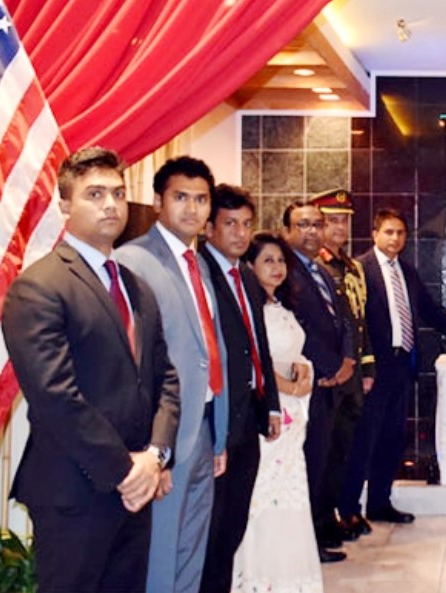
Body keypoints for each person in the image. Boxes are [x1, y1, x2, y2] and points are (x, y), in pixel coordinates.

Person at [2, 147, 180, 593]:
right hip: (76, 490)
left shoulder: (135, 287)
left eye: (118, 193)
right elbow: (55, 397)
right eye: (94, 194)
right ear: (65, 206)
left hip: (137, 486)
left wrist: (155, 457)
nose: (110, 205)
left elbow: (165, 379)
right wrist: (125, 471)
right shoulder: (39, 286)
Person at [117, 156, 229, 593]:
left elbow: (209, 348)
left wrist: (219, 436)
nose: (192, 208)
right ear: (157, 201)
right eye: (181, 197)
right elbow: (134, 364)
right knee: (161, 555)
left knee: (191, 549)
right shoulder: (134, 260)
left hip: (204, 426)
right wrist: (154, 450)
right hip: (166, 434)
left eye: (201, 199)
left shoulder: (197, 262)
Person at [349, 209, 446, 528]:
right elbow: (353, 322)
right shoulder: (360, 269)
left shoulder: (406, 271)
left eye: (400, 233)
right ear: (374, 234)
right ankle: (348, 510)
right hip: (372, 369)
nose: (395, 238)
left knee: (392, 439)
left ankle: (379, 503)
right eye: (388, 232)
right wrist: (362, 368)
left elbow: (431, 312)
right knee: (363, 441)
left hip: (402, 365)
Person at [198, 185, 282, 593]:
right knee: (211, 529)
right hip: (215, 423)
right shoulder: (199, 274)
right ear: (209, 227)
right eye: (230, 224)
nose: (240, 233)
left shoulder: (246, 277)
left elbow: (258, 345)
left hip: (249, 415)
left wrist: (271, 405)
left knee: (233, 524)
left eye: (247, 224)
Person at [233, 232, 323, 593]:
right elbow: (252, 360)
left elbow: (296, 355)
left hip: (293, 414)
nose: (277, 267)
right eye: (267, 260)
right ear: (249, 266)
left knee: (291, 493)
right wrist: (284, 386)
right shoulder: (246, 308)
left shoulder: (283, 307)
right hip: (266, 412)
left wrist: (305, 375)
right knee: (262, 494)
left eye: (281, 260)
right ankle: (257, 579)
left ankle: (289, 579)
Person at [280, 201, 354, 563]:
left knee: (324, 461)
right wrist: (329, 366)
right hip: (307, 382)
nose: (312, 231)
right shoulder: (284, 272)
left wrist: (347, 360)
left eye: (316, 224)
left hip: (332, 380)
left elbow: (343, 319)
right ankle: (305, 544)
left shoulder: (322, 270)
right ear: (286, 231)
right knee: (308, 463)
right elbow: (297, 328)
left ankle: (321, 530)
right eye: (302, 224)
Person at [309, 189, 376, 542]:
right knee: (324, 451)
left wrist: (367, 369)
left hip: (353, 374)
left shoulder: (352, 268)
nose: (339, 228)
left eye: (344, 221)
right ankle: (320, 522)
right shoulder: (316, 267)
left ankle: (333, 514)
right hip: (331, 374)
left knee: (343, 451)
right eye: (332, 221)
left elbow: (359, 322)